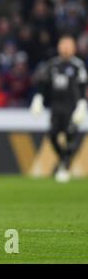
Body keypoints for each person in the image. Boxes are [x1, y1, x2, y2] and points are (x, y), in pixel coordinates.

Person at [30, 35, 87, 182]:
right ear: (59, 47)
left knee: (70, 135)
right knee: (53, 135)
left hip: (72, 107)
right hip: (56, 107)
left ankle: (65, 167)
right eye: (63, 45)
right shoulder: (52, 65)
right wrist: (38, 99)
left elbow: (82, 88)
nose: (66, 48)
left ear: (74, 48)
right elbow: (43, 85)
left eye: (69, 45)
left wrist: (82, 105)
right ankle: (63, 160)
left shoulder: (78, 66)